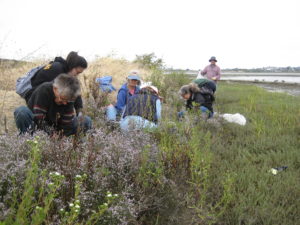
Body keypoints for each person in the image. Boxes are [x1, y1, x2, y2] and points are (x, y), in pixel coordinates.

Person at [14, 74, 92, 136]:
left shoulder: (69, 96)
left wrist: (61, 136)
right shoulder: (44, 90)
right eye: (62, 98)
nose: (65, 103)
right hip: (37, 125)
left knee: (86, 120)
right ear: (55, 89)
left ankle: (78, 146)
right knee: (21, 111)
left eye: (67, 101)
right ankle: (27, 142)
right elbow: (39, 118)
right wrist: (51, 133)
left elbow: (66, 123)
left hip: (57, 126)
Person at [24, 51, 88, 115]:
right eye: (77, 72)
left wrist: (79, 109)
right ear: (72, 66)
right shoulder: (57, 69)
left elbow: (74, 91)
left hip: (50, 101)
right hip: (36, 99)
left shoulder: (66, 73)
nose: (77, 75)